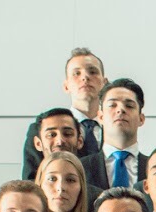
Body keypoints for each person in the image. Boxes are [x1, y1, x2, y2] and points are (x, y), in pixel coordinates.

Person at [21, 47, 106, 180]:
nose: (85, 77)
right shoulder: (41, 129)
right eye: (76, 73)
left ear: (104, 83)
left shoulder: (116, 127)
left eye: (92, 71)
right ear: (66, 86)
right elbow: (31, 180)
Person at [81, 78, 149, 191]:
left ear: (141, 119)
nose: (120, 110)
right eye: (112, 105)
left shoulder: (154, 168)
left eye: (129, 106)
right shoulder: (81, 168)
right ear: (101, 117)